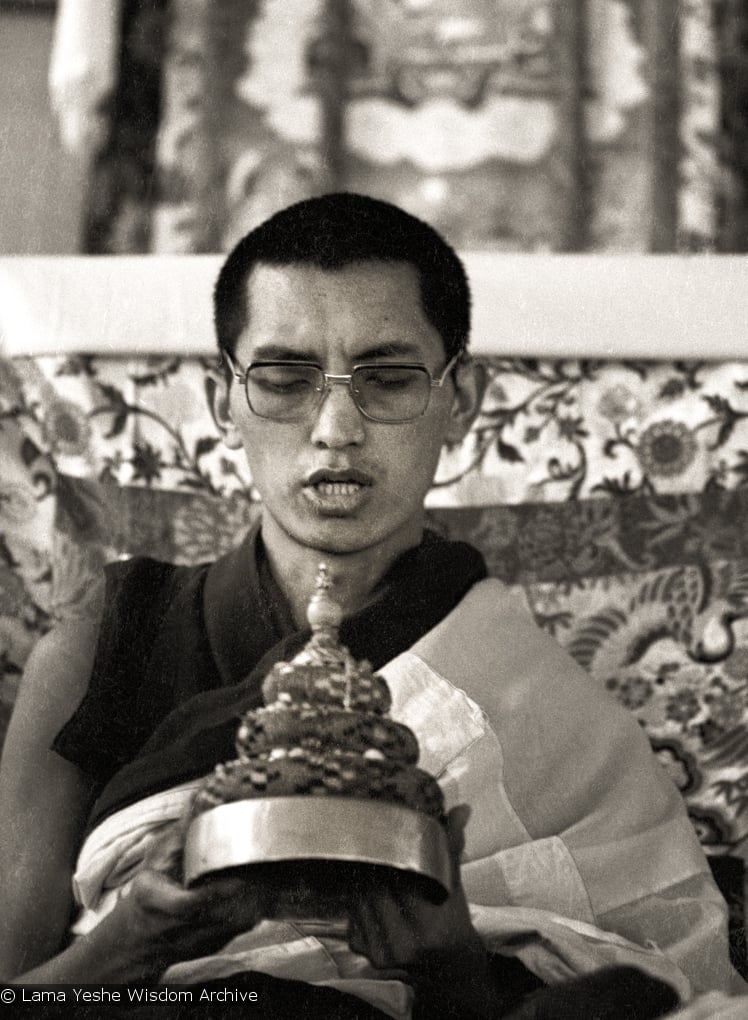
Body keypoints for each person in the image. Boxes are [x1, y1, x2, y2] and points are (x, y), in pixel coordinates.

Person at [0, 193, 740, 1018]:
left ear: (461, 398)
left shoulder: (539, 703)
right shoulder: (105, 642)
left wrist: (450, 962)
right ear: (223, 401)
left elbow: (688, 980)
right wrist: (132, 940)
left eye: (388, 379)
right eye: (284, 379)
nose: (336, 427)